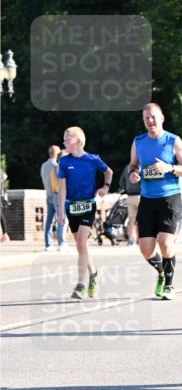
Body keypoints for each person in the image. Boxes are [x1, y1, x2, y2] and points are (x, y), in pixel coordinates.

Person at [128, 102, 182, 301]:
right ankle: (162, 272)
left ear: (162, 118)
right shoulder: (138, 141)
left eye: (153, 117)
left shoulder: (173, 141)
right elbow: (132, 166)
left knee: (165, 243)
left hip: (169, 198)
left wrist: (170, 168)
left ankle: (169, 285)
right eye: (146, 118)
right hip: (147, 199)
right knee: (146, 249)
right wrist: (133, 175)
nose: (150, 121)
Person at [57, 127, 112, 299]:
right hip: (71, 207)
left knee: (81, 241)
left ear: (78, 141)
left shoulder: (93, 159)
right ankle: (94, 274)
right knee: (81, 247)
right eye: (64, 140)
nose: (64, 143)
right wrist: (60, 212)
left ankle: (80, 284)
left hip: (88, 205)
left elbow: (109, 172)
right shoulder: (64, 162)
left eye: (67, 140)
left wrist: (105, 187)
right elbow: (62, 188)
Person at [40, 144, 66, 251]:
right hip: (56, 194)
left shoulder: (43, 165)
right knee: (62, 219)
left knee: (49, 220)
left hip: (48, 194)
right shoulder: (55, 165)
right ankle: (61, 243)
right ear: (56, 153)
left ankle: (48, 244)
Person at [118, 161, 141, 245]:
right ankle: (139, 239)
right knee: (141, 219)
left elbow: (121, 182)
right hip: (140, 195)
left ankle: (131, 239)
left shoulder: (127, 167)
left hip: (130, 196)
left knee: (131, 219)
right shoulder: (142, 166)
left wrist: (126, 189)